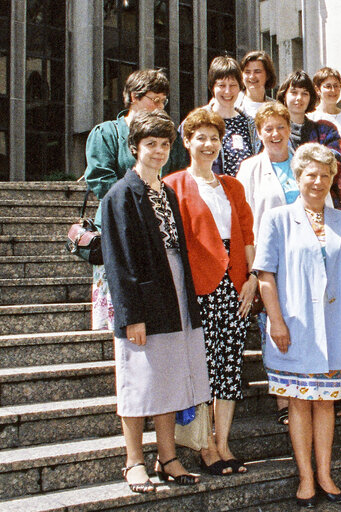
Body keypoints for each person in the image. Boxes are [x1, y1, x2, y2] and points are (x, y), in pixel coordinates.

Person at [100, 110, 210, 493]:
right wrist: (132, 316)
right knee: (138, 381)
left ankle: (168, 457)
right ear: (135, 148)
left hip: (174, 291)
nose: (159, 152)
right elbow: (117, 261)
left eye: (165, 145)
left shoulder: (166, 192)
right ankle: (133, 461)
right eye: (151, 145)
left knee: (169, 378)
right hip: (142, 299)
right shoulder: (119, 195)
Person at [254, 143, 341, 507]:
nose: (318, 181)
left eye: (325, 175)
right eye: (310, 174)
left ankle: (325, 474)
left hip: (333, 328)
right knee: (300, 403)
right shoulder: (277, 218)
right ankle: (305, 478)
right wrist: (276, 322)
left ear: (334, 179)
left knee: (326, 404)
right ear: (298, 177)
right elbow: (266, 275)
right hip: (294, 326)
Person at [164, 108, 257, 475]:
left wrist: (252, 277)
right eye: (200, 137)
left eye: (214, 138)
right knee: (202, 366)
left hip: (235, 284)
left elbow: (247, 235)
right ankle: (204, 446)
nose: (208, 144)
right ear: (187, 142)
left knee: (230, 367)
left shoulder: (233, 186)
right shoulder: (173, 185)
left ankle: (223, 443)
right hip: (197, 287)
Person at [237, 102, 333, 426]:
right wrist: (252, 270)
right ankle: (284, 401)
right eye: (269, 129)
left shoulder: (304, 164)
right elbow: (243, 221)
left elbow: (325, 206)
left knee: (310, 323)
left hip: (308, 259)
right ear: (259, 133)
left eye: (281, 127)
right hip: (269, 259)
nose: (276, 134)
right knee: (274, 325)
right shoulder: (250, 169)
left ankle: (317, 393)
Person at [85, 70, 189, 333]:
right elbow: (100, 180)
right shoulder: (106, 133)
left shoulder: (168, 138)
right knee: (124, 317)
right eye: (154, 99)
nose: (159, 106)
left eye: (163, 101)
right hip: (120, 230)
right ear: (134, 97)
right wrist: (137, 204)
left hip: (161, 235)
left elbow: (176, 175)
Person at [276, 70, 341, 206]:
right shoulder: (274, 132)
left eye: (304, 93)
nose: (299, 98)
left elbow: (334, 164)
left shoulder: (325, 129)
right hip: (282, 201)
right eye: (294, 92)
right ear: (284, 96)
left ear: (311, 98)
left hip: (321, 201)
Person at [204, 56, 258, 176]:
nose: (228, 91)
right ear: (212, 87)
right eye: (222, 85)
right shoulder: (200, 122)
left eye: (233, 85)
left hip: (245, 192)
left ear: (240, 87)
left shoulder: (250, 124)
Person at [307, 67, 341, 139]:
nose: (333, 90)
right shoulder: (310, 117)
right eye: (328, 86)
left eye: (336, 86)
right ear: (317, 89)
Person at [236, 50, 277, 117]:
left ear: (268, 75)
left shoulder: (276, 108)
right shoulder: (232, 104)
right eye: (247, 72)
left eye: (257, 71)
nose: (252, 76)